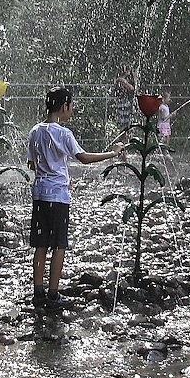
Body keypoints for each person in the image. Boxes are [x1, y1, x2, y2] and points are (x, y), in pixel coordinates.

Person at [27, 87, 124, 311]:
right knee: (59, 245)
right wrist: (113, 153)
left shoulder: (35, 131)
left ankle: (38, 292)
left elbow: (32, 164)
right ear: (64, 106)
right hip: (58, 197)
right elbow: (83, 158)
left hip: (40, 194)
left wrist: (52, 171)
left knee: (40, 245)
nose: (71, 111)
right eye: (71, 107)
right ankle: (53, 294)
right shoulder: (64, 133)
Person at [114, 63, 137, 137]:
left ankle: (125, 141)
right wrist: (135, 77)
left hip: (124, 103)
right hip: (124, 104)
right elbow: (133, 89)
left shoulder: (120, 80)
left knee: (126, 126)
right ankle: (124, 142)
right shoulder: (122, 80)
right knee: (125, 126)